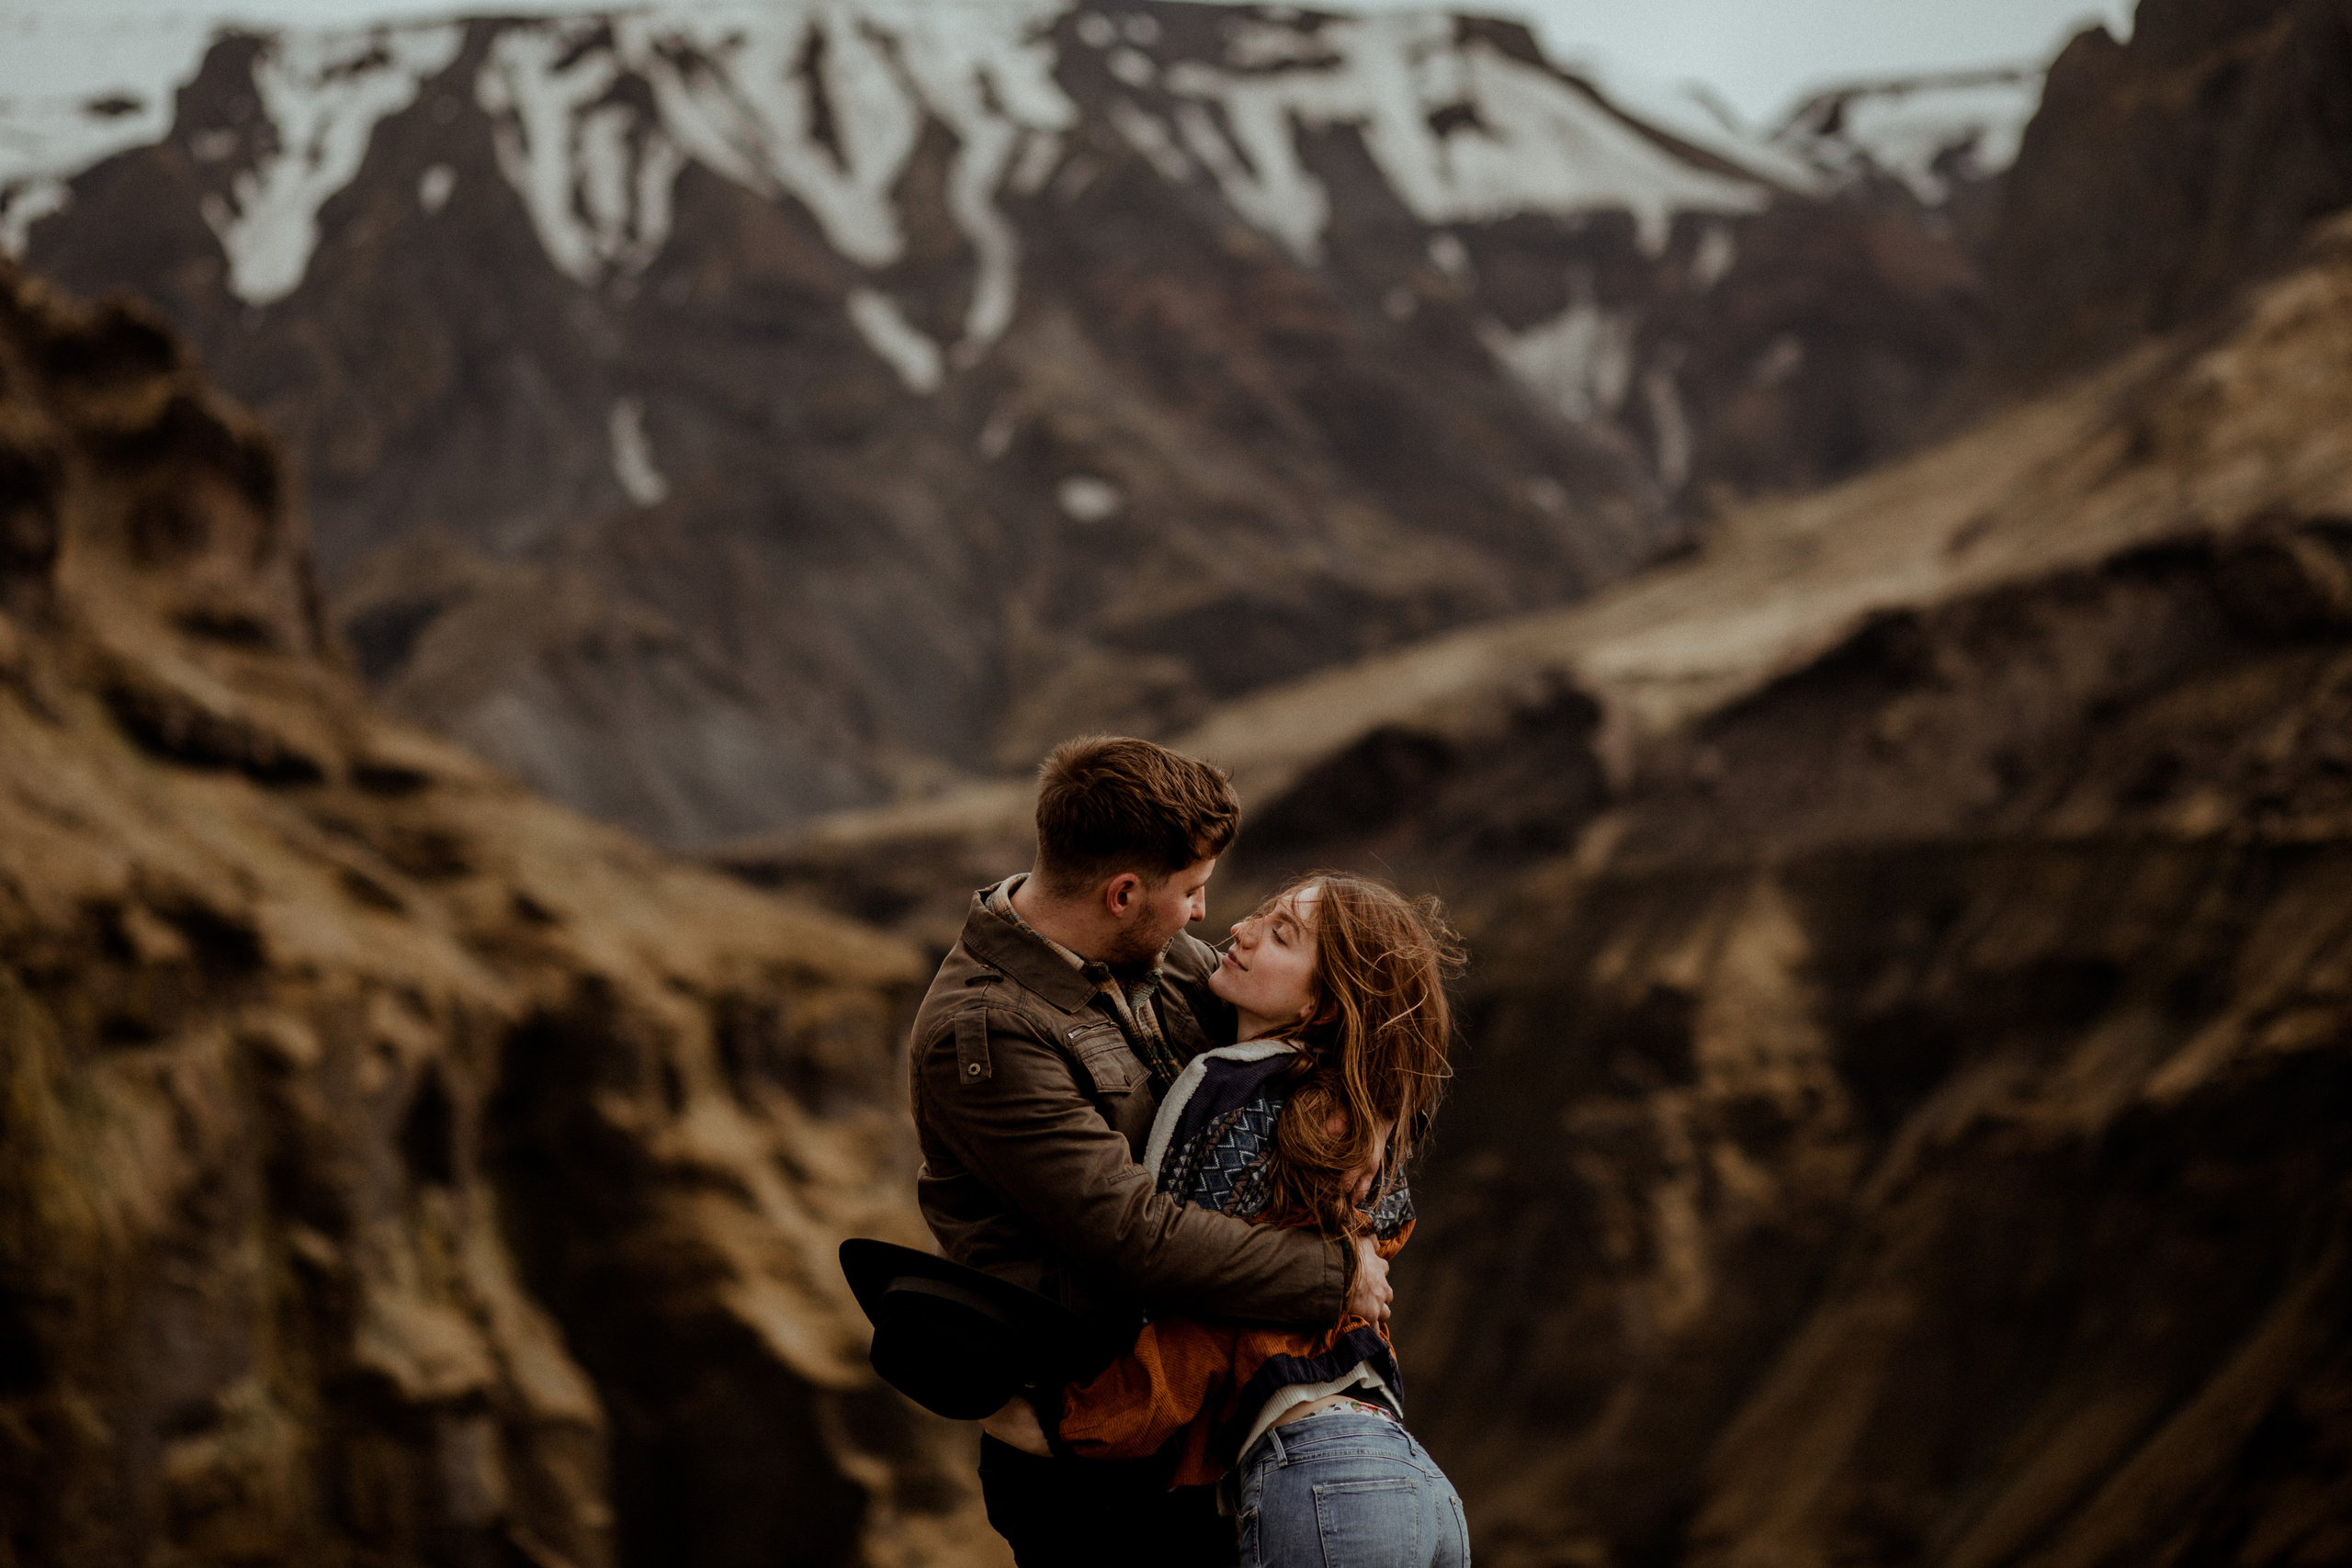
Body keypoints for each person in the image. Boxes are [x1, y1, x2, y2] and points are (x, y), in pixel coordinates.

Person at [908, 737, 1395, 1567]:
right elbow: (1132, 1237)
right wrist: (1335, 1276)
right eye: (1193, 890)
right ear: (1123, 891)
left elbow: (1295, 1041)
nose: (1206, 916)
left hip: (1197, 1429)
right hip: (1085, 1464)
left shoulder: (1162, 960)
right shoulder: (984, 1034)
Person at [982, 872, 1472, 1568]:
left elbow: (1202, 1319)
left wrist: (1066, 1424)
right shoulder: (1338, 1110)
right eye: (1263, 914)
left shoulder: (1231, 1099)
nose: (1239, 930)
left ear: (1325, 1005)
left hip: (1326, 1483)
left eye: (1282, 935)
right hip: (1417, 1486)